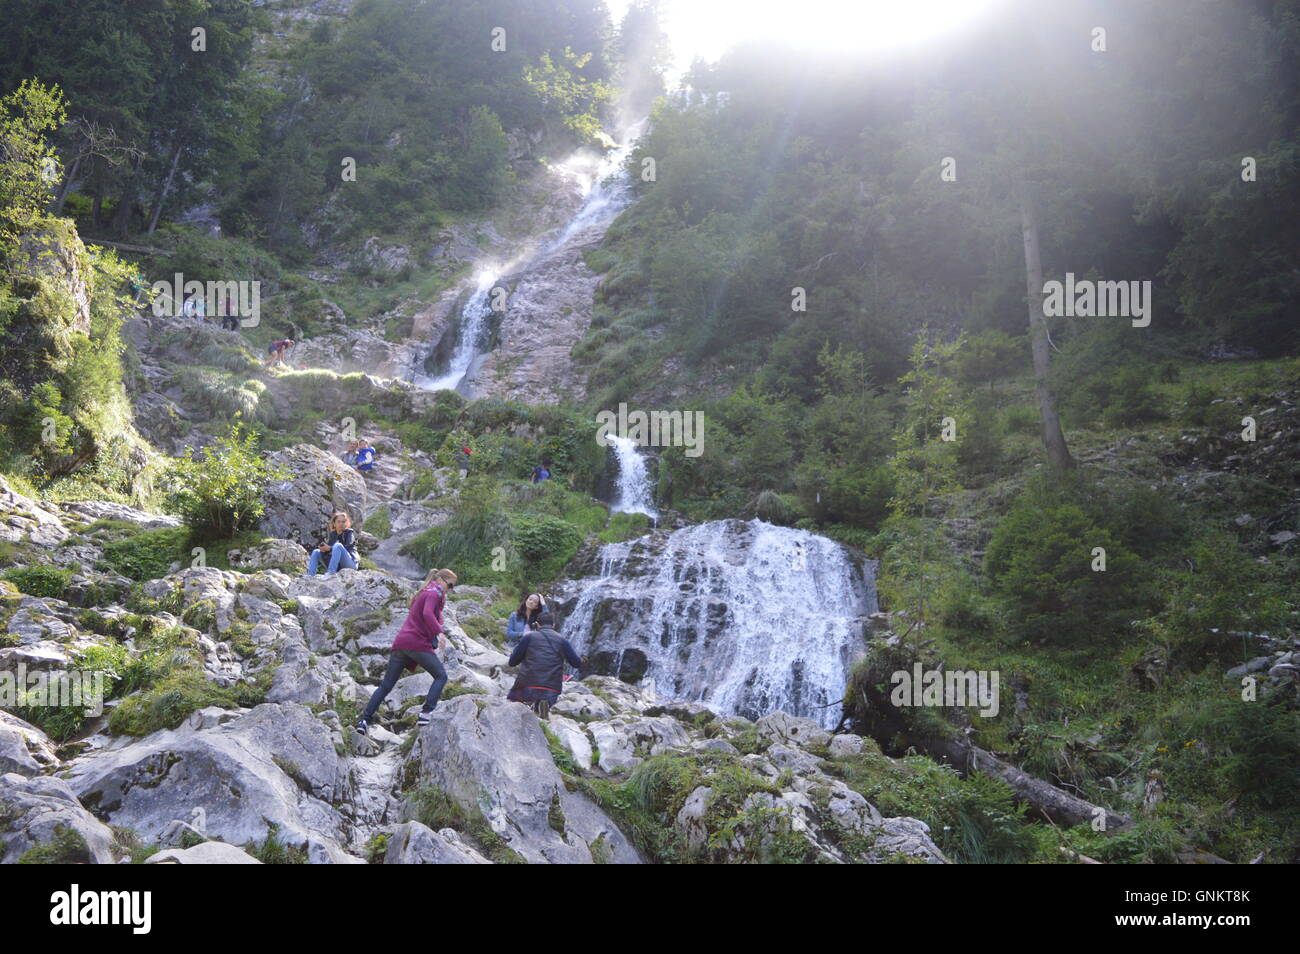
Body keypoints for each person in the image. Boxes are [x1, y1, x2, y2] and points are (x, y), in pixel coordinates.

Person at [356, 568, 457, 734]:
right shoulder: (433, 593)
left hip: (401, 644)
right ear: (441, 580)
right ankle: (426, 713)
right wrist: (439, 633)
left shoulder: (425, 592)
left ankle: (364, 721)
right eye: (450, 585)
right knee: (441, 676)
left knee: (385, 686)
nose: (450, 589)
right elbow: (427, 614)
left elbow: (427, 615)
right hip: (416, 644)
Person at [506, 611, 581, 720]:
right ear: (553, 625)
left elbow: (512, 662)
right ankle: (541, 708)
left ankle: (532, 707)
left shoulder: (528, 637)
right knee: (540, 715)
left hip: (527, 685)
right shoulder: (562, 641)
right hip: (551, 688)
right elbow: (576, 663)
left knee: (513, 707)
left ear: (537, 624)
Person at [305, 511, 358, 576]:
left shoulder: (349, 533)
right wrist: (324, 550)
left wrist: (330, 548)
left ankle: (330, 573)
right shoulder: (333, 535)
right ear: (334, 524)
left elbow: (348, 547)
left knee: (337, 546)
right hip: (338, 566)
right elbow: (330, 553)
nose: (341, 524)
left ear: (346, 523)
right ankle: (310, 575)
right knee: (316, 552)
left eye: (343, 522)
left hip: (350, 563)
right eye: (338, 522)